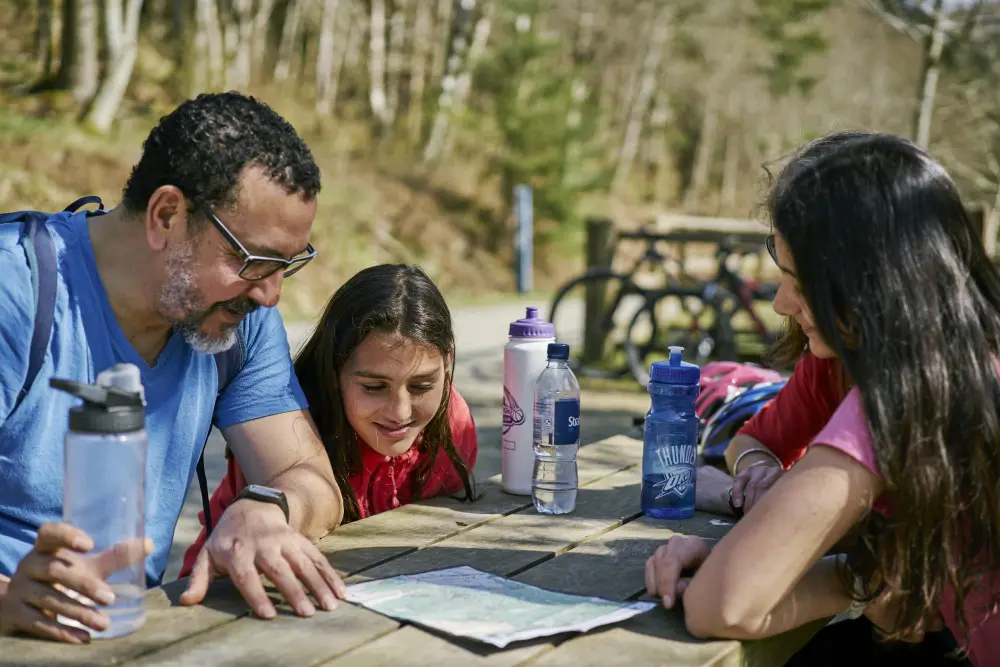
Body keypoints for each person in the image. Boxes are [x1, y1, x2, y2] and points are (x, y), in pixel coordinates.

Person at [0, 92, 348, 644]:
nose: (271, 294)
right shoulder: (16, 292)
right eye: (254, 260)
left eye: (287, 266)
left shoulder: (240, 322)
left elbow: (316, 484)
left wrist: (269, 507)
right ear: (167, 215)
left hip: (124, 636)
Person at [645, 131, 1000, 665]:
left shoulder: (901, 396)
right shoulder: (968, 361)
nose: (782, 303)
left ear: (873, 283)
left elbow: (725, 603)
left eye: (800, 281)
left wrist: (859, 580)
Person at [179, 263, 478, 577]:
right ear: (333, 371)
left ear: (448, 361)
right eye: (374, 388)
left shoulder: (453, 425)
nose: (400, 412)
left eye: (422, 386)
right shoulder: (289, 426)